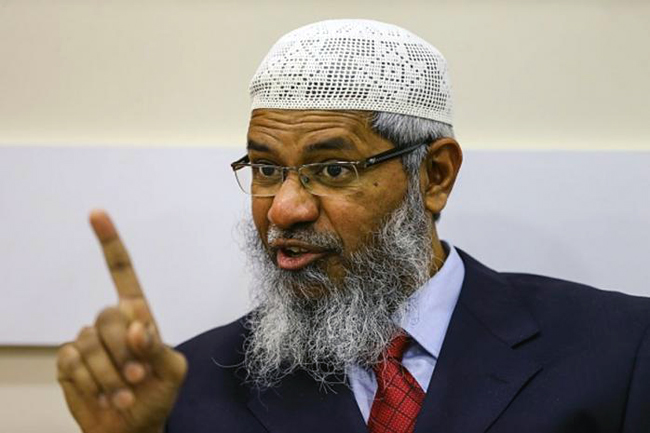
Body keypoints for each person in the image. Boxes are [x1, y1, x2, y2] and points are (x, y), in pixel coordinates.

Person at [56, 19, 650, 433]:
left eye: (333, 169)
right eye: (266, 168)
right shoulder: (188, 388)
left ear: (434, 175)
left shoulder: (620, 350)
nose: (284, 209)